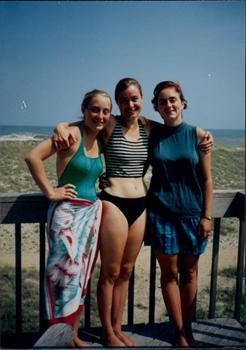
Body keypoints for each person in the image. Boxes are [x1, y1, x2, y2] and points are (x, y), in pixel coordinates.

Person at [53, 77, 213, 347]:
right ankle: (107, 331)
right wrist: (60, 126)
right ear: (118, 102)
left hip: (142, 204)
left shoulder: (149, 127)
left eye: (134, 98)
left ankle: (116, 329)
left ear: (141, 101)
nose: (130, 104)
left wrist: (204, 137)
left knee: (126, 270)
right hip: (115, 201)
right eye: (124, 99)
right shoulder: (110, 123)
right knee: (111, 273)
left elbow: (178, 133)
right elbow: (83, 125)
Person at [24, 89, 112, 347]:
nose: (100, 115)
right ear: (84, 109)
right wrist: (50, 191)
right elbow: (33, 157)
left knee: (80, 276)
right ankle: (57, 338)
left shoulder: (100, 137)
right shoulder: (71, 134)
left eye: (105, 111)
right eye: (94, 109)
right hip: (67, 214)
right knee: (63, 277)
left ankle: (72, 336)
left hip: (90, 213)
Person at [147, 81, 213, 347]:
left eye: (173, 100)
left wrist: (207, 217)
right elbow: (121, 117)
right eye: (162, 101)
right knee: (169, 274)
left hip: (192, 216)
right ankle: (179, 331)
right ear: (157, 107)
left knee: (190, 273)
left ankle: (189, 325)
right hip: (161, 214)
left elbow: (207, 180)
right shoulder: (153, 131)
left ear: (182, 102)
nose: (168, 105)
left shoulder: (198, 135)